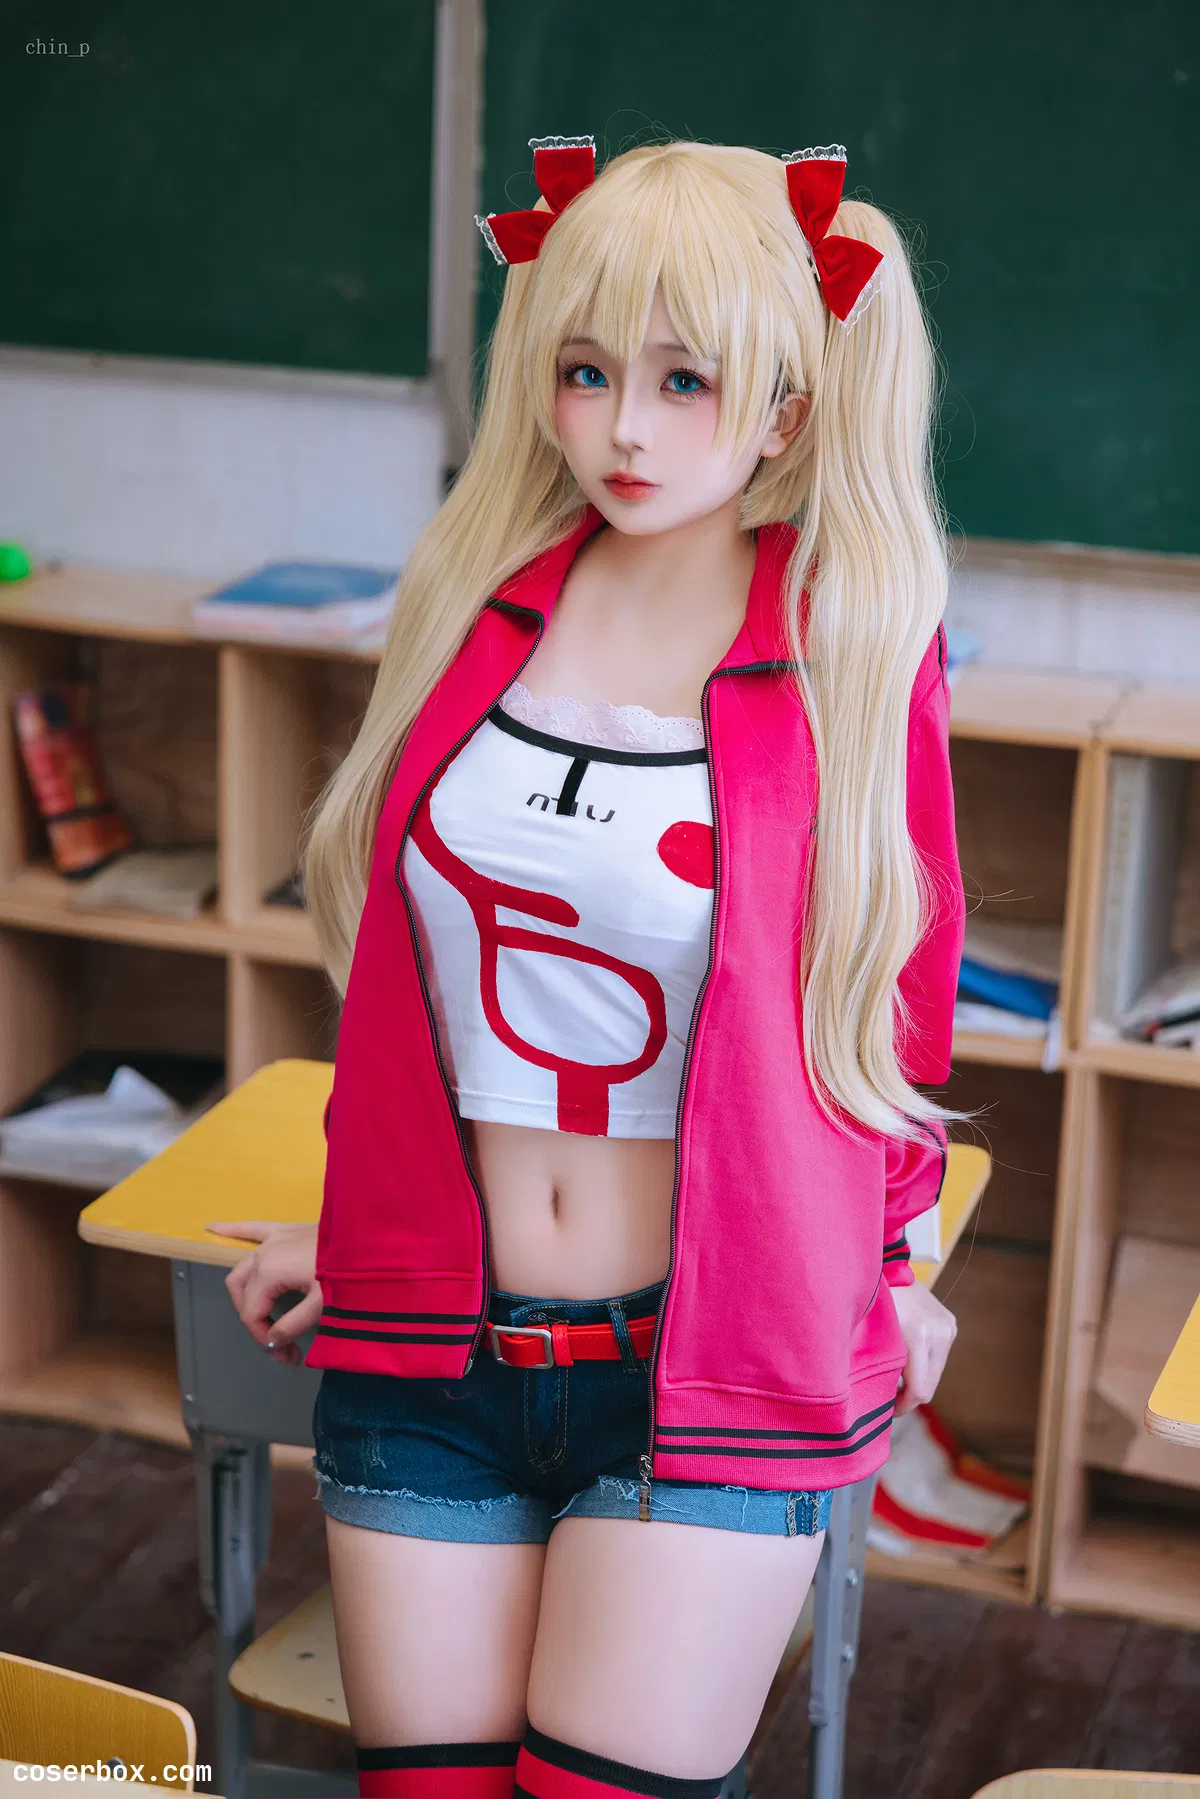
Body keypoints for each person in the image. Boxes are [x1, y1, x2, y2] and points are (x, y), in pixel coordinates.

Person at [213, 135, 966, 1799]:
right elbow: (426, 984)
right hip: (436, 1358)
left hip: (703, 1363)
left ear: (783, 410)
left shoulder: (846, 649)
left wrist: (894, 1258)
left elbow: (890, 991)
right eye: (587, 370)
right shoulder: (470, 601)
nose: (626, 428)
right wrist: (373, 1231)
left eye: (686, 381)